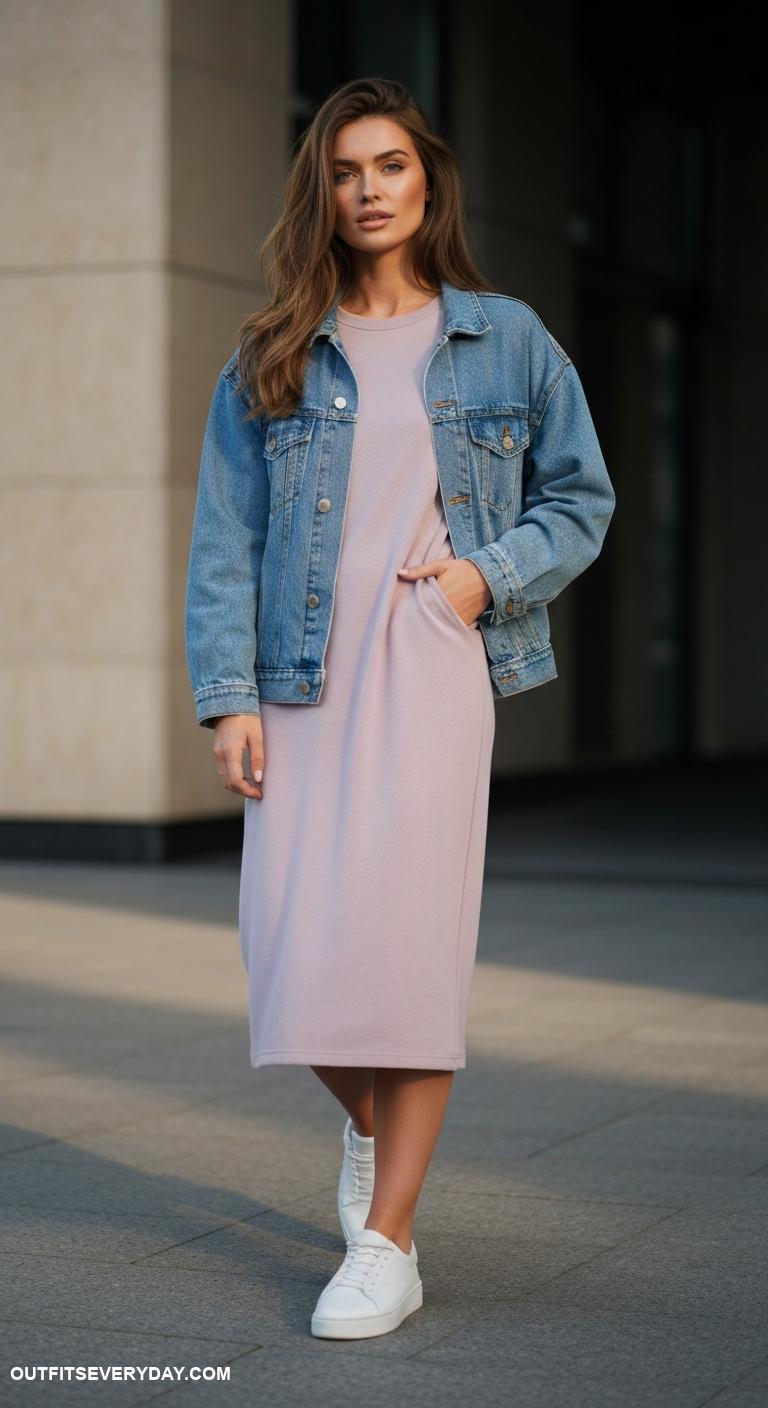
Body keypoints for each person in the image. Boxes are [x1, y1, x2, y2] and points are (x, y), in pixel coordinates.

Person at [184, 76, 616, 1342]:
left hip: (430, 666)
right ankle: (377, 1130)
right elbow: (227, 538)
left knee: (410, 953)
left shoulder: (508, 337)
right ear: (320, 189)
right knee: (290, 946)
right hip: (298, 681)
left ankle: (390, 1243)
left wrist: (488, 575)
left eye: (391, 166)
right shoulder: (274, 345)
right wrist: (229, 703)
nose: (368, 189)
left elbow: (580, 497)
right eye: (345, 169)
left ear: (429, 184)